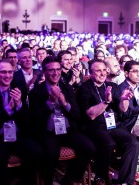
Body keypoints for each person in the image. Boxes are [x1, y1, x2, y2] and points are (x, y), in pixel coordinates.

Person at [29, 56, 95, 185]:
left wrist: (64, 102)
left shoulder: (67, 88)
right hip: (47, 131)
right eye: (51, 70)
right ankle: (47, 181)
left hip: (67, 130)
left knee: (89, 148)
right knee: (51, 153)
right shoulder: (36, 92)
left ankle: (69, 179)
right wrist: (51, 102)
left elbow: (76, 115)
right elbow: (35, 119)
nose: (55, 73)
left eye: (58, 69)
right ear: (44, 72)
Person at [0, 59, 42, 185]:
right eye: (3, 72)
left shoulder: (18, 91)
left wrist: (19, 106)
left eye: (10, 72)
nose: (7, 76)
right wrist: (7, 109)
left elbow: (27, 122)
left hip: (17, 136)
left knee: (36, 152)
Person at [76, 59, 139, 185]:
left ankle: (125, 181)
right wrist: (105, 102)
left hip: (112, 125)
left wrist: (124, 99)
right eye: (98, 71)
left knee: (133, 142)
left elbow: (122, 110)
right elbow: (91, 115)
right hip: (94, 126)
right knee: (108, 143)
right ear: (91, 72)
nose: (102, 73)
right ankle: (101, 177)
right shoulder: (84, 88)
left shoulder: (113, 86)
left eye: (104, 70)